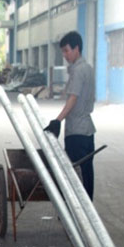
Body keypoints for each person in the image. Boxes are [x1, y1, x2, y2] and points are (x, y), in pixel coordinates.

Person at [44, 31, 96, 200]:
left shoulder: (79, 71)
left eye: (67, 50)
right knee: (87, 174)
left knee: (75, 176)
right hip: (87, 131)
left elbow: (73, 98)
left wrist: (57, 120)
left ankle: (76, 215)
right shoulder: (88, 68)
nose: (65, 55)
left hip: (77, 132)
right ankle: (87, 216)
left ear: (77, 49)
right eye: (63, 52)